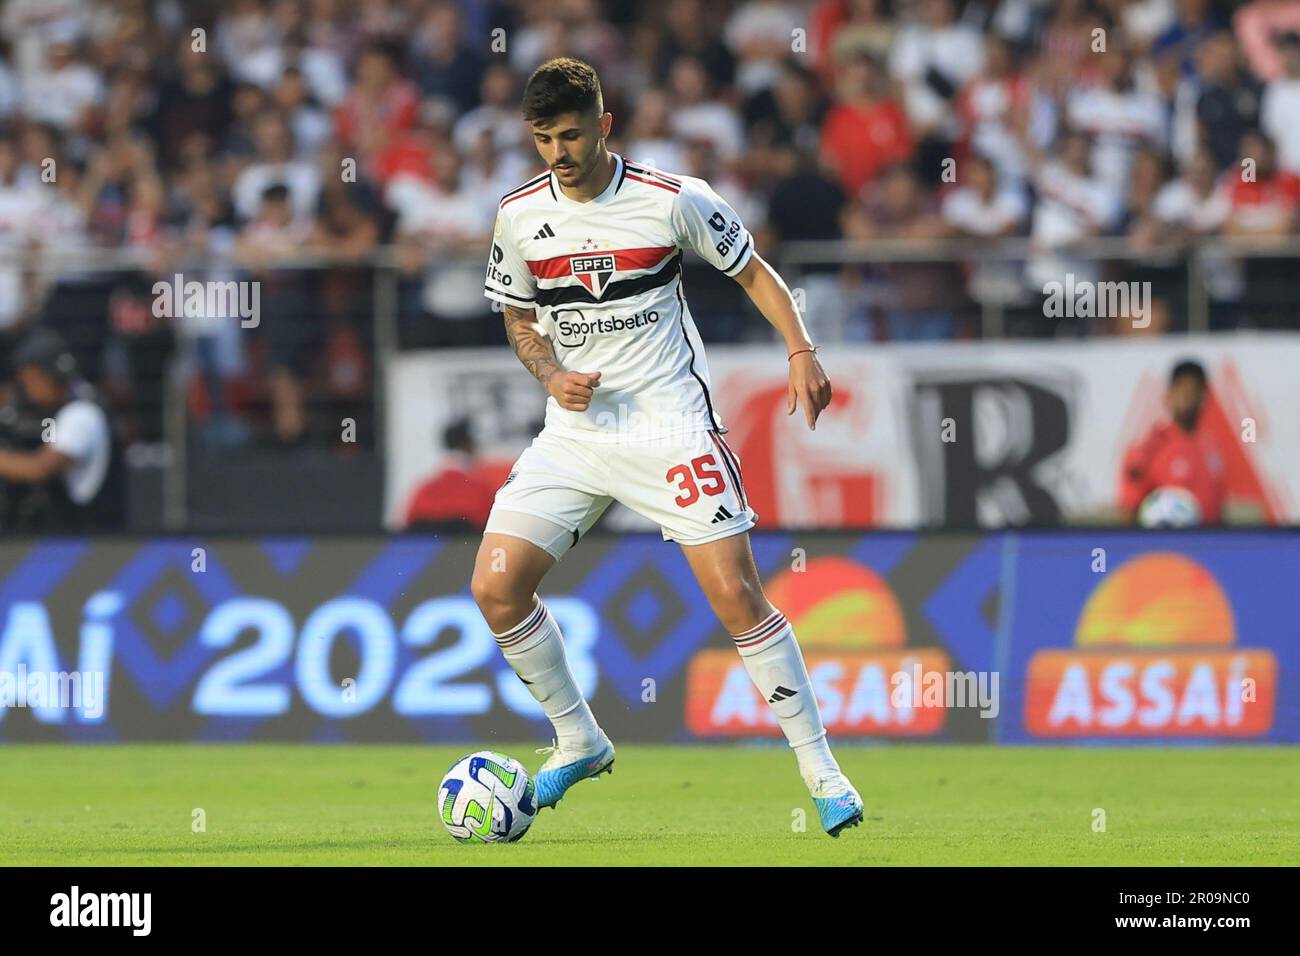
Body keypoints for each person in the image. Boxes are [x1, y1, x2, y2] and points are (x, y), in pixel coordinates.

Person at [473, 58, 862, 837]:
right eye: (544, 137)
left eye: (572, 134)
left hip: (670, 424)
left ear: (604, 125)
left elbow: (755, 274)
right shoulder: (518, 217)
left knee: (736, 595)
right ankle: (579, 739)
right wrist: (550, 371)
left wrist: (800, 350)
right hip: (577, 435)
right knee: (496, 588)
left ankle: (822, 770)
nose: (558, 151)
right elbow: (519, 317)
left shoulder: (673, 200)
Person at [0, 329, 124, 531]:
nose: (28, 389)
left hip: (93, 541)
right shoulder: (72, 400)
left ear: (49, 376)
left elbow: (40, 469)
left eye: (31, 380)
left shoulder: (82, 412)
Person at [1119, 359, 1225, 525]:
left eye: (1195, 391)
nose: (1188, 399)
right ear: (1169, 394)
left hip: (1207, 543)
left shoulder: (1210, 444)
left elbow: (1216, 503)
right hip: (1165, 545)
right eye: (1182, 390)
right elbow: (1128, 509)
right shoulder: (1148, 447)